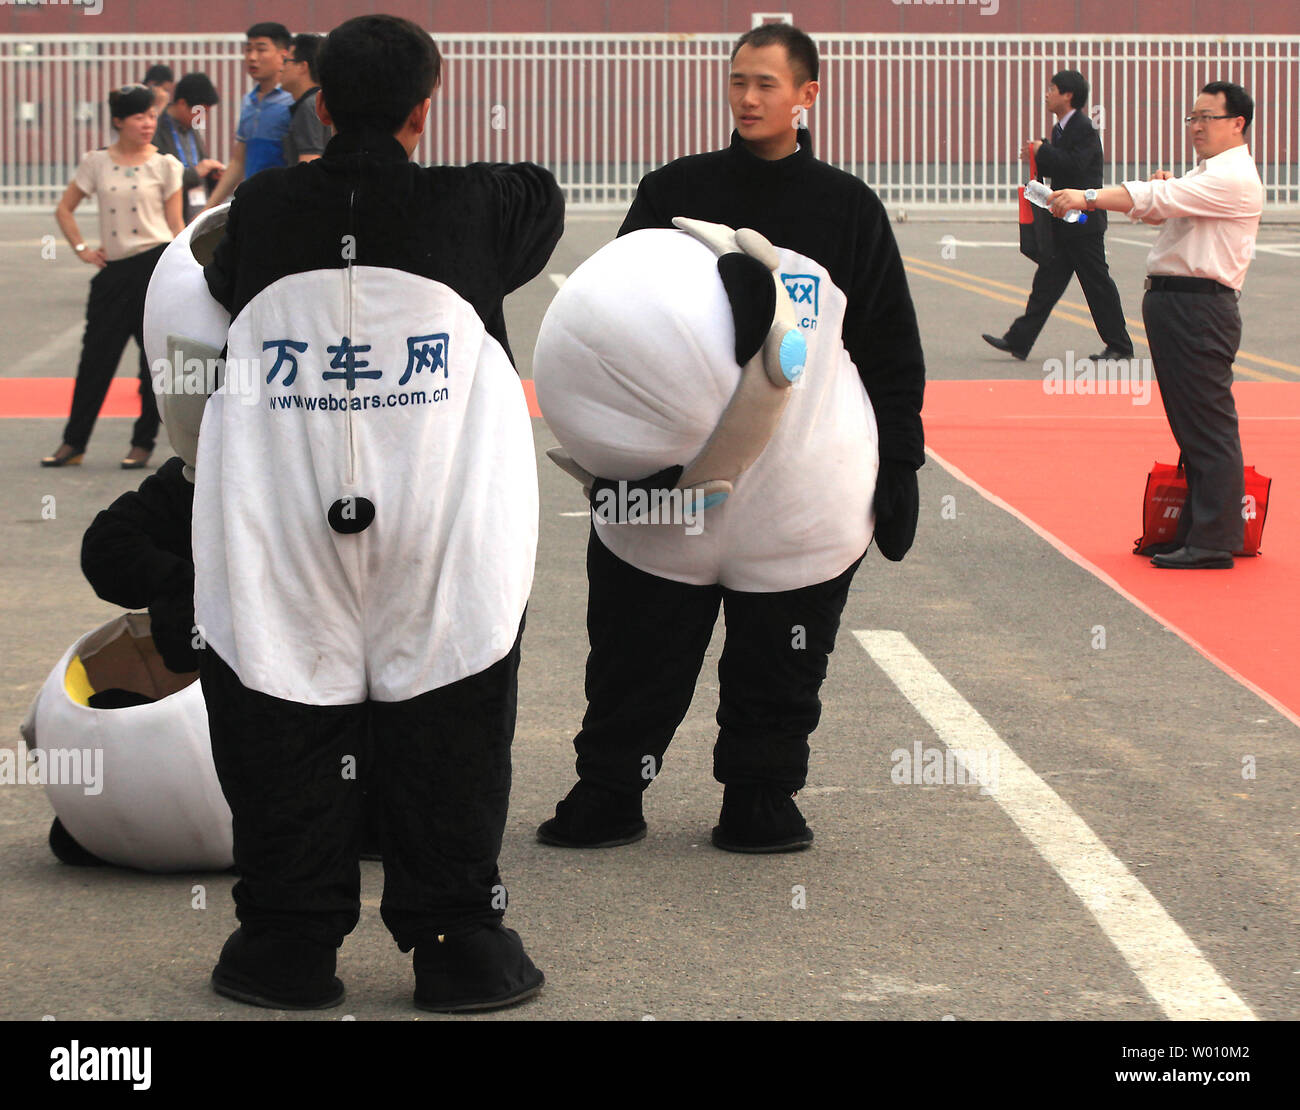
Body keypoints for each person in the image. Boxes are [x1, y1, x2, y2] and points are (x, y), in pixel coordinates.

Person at [195, 14, 563, 1011]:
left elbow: (217, 272)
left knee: (281, 707)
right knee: (450, 713)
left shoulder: (268, 209)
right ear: (424, 106)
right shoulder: (476, 207)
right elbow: (544, 196)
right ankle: (456, 944)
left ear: (315, 100)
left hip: (291, 511)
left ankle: (285, 943)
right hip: (435, 514)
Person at [536, 22, 925, 853]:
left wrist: (900, 464)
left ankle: (760, 794)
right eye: (739, 81)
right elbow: (615, 323)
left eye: (768, 85)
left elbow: (890, 348)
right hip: (667, 488)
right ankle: (610, 787)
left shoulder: (846, 208)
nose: (749, 98)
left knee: (781, 660)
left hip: (797, 491)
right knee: (636, 653)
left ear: (807, 95)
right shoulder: (675, 189)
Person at [1051, 81, 1263, 570]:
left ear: (1238, 124)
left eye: (1207, 118)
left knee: (1208, 428)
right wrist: (1166, 191)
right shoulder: (1208, 174)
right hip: (1183, 307)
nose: (1196, 127)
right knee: (1194, 427)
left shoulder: (1232, 176)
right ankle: (1204, 529)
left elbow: (1156, 198)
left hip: (1199, 309)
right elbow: (1162, 207)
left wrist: (1087, 196)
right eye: (1192, 118)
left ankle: (1215, 539)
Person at [44, 84, 183, 469]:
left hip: (155, 269)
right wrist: (81, 249)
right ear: (119, 120)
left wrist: (185, 270)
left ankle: (143, 443)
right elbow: (65, 209)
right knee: (94, 361)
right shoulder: (96, 162)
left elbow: (176, 227)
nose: (148, 123)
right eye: (139, 116)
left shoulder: (166, 165)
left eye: (152, 116)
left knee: (150, 365)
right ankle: (74, 443)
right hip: (113, 273)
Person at [983, 70, 1133, 363]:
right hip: (1065, 221)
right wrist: (1039, 154)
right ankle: (1018, 339)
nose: (1046, 94)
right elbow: (1062, 170)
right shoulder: (1061, 129)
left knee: (1097, 285)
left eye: (1052, 89)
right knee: (1046, 284)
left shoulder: (1084, 128)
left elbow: (1076, 167)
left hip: (1084, 222)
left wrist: (1045, 151)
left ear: (1068, 95)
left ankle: (1121, 346)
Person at [202, 22, 293, 211]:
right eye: (248, 50)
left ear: (283, 54)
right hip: (255, 204)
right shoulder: (248, 102)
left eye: (261, 50)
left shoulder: (294, 101)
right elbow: (238, 161)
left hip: (286, 205)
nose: (252, 57)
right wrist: (209, 207)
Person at [151, 72, 225, 224]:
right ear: (182, 103)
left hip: (196, 214)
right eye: (200, 112)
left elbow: (199, 165)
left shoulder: (191, 128)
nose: (202, 118)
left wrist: (212, 176)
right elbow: (158, 179)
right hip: (170, 220)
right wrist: (195, 173)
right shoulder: (156, 131)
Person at [281, 33, 331, 164]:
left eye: (286, 61)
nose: (281, 68)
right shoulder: (323, 100)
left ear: (302, 66)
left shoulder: (310, 106)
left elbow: (310, 160)